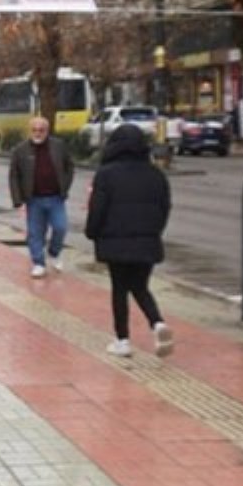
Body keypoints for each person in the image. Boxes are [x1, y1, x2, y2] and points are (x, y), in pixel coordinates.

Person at [85, 124, 176, 358]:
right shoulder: (156, 175)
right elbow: (164, 207)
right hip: (147, 240)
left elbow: (97, 208)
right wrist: (154, 231)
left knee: (120, 289)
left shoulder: (106, 174)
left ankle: (122, 340)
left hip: (115, 241)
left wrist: (92, 232)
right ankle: (157, 323)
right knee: (139, 285)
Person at [9, 116, 75, 278]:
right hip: (34, 199)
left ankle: (54, 251)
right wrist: (18, 199)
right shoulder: (20, 150)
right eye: (34, 130)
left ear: (47, 131)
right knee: (35, 232)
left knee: (61, 227)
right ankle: (38, 262)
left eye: (41, 130)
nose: (38, 133)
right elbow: (14, 176)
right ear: (30, 130)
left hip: (55, 198)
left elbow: (70, 166)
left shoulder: (58, 147)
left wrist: (64, 187)